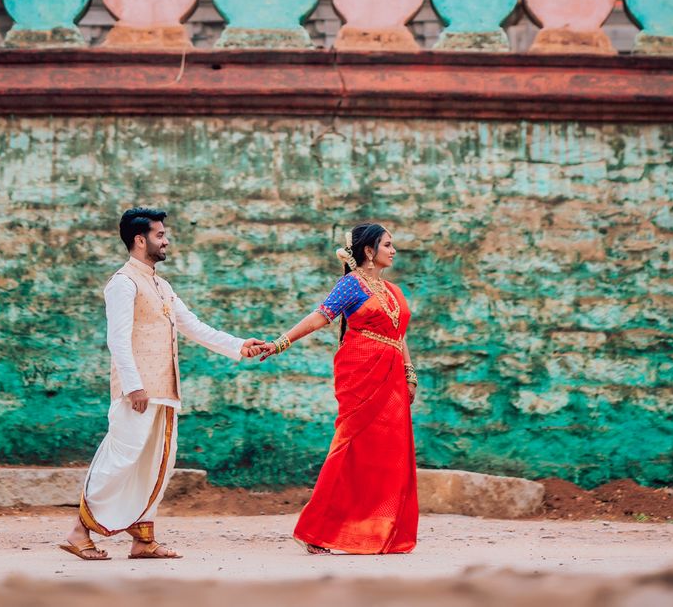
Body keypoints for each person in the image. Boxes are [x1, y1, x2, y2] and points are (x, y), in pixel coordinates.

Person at [62, 207, 266, 562]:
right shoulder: (123, 283)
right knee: (121, 460)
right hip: (138, 393)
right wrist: (133, 386)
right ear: (140, 240)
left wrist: (238, 345)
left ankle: (143, 540)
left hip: (164, 391)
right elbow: (118, 340)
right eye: (159, 235)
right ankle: (79, 532)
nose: (166, 240)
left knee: (158, 462)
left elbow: (193, 326)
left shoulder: (161, 285)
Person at [260, 223, 418, 555]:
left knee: (388, 455)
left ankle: (380, 529)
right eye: (388, 245)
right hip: (361, 375)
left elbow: (398, 333)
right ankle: (316, 530)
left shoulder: (394, 291)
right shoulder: (350, 285)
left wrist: (409, 371)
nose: (394, 250)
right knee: (349, 450)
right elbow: (320, 317)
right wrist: (280, 343)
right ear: (369, 252)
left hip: (392, 380)